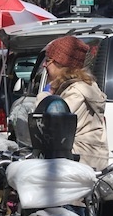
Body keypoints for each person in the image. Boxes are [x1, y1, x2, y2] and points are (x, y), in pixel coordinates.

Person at [36, 35, 108, 170]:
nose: (45, 64)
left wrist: (46, 95)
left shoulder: (75, 93)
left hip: (79, 163)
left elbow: (50, 122)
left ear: (60, 63)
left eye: (48, 60)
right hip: (87, 161)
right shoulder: (81, 87)